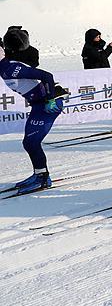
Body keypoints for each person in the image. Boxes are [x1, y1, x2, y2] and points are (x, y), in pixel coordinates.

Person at [0, 29, 66, 194]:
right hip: (39, 105)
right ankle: (39, 174)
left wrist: (50, 98)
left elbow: (47, 76)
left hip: (48, 105)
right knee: (29, 143)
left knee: (31, 142)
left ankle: (43, 178)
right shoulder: (6, 65)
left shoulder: (10, 67)